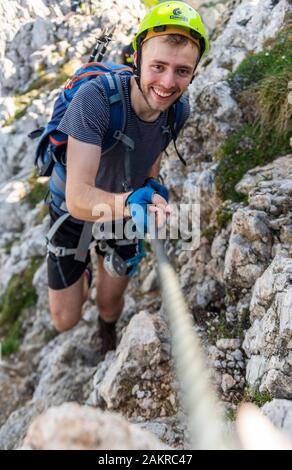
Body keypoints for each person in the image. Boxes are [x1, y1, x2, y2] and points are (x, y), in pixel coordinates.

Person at [47, 1, 208, 354]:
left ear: (194, 72)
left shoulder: (179, 109)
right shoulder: (95, 101)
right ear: (136, 57)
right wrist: (129, 203)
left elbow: (152, 148)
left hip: (125, 207)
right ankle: (84, 269)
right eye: (159, 66)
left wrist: (151, 183)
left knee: (109, 302)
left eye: (182, 71)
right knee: (65, 319)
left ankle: (106, 329)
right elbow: (78, 198)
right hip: (74, 210)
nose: (168, 83)